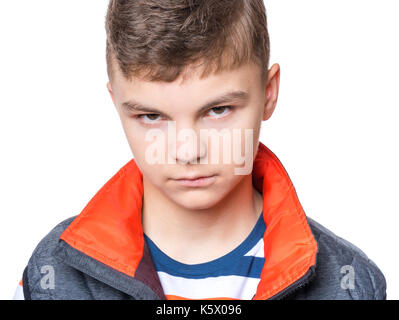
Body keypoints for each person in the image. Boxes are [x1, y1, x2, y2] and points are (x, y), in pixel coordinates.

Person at [14, 0, 386, 300]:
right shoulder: (55, 274)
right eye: (151, 116)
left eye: (217, 110)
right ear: (117, 104)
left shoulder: (349, 284)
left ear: (268, 93)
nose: (187, 151)